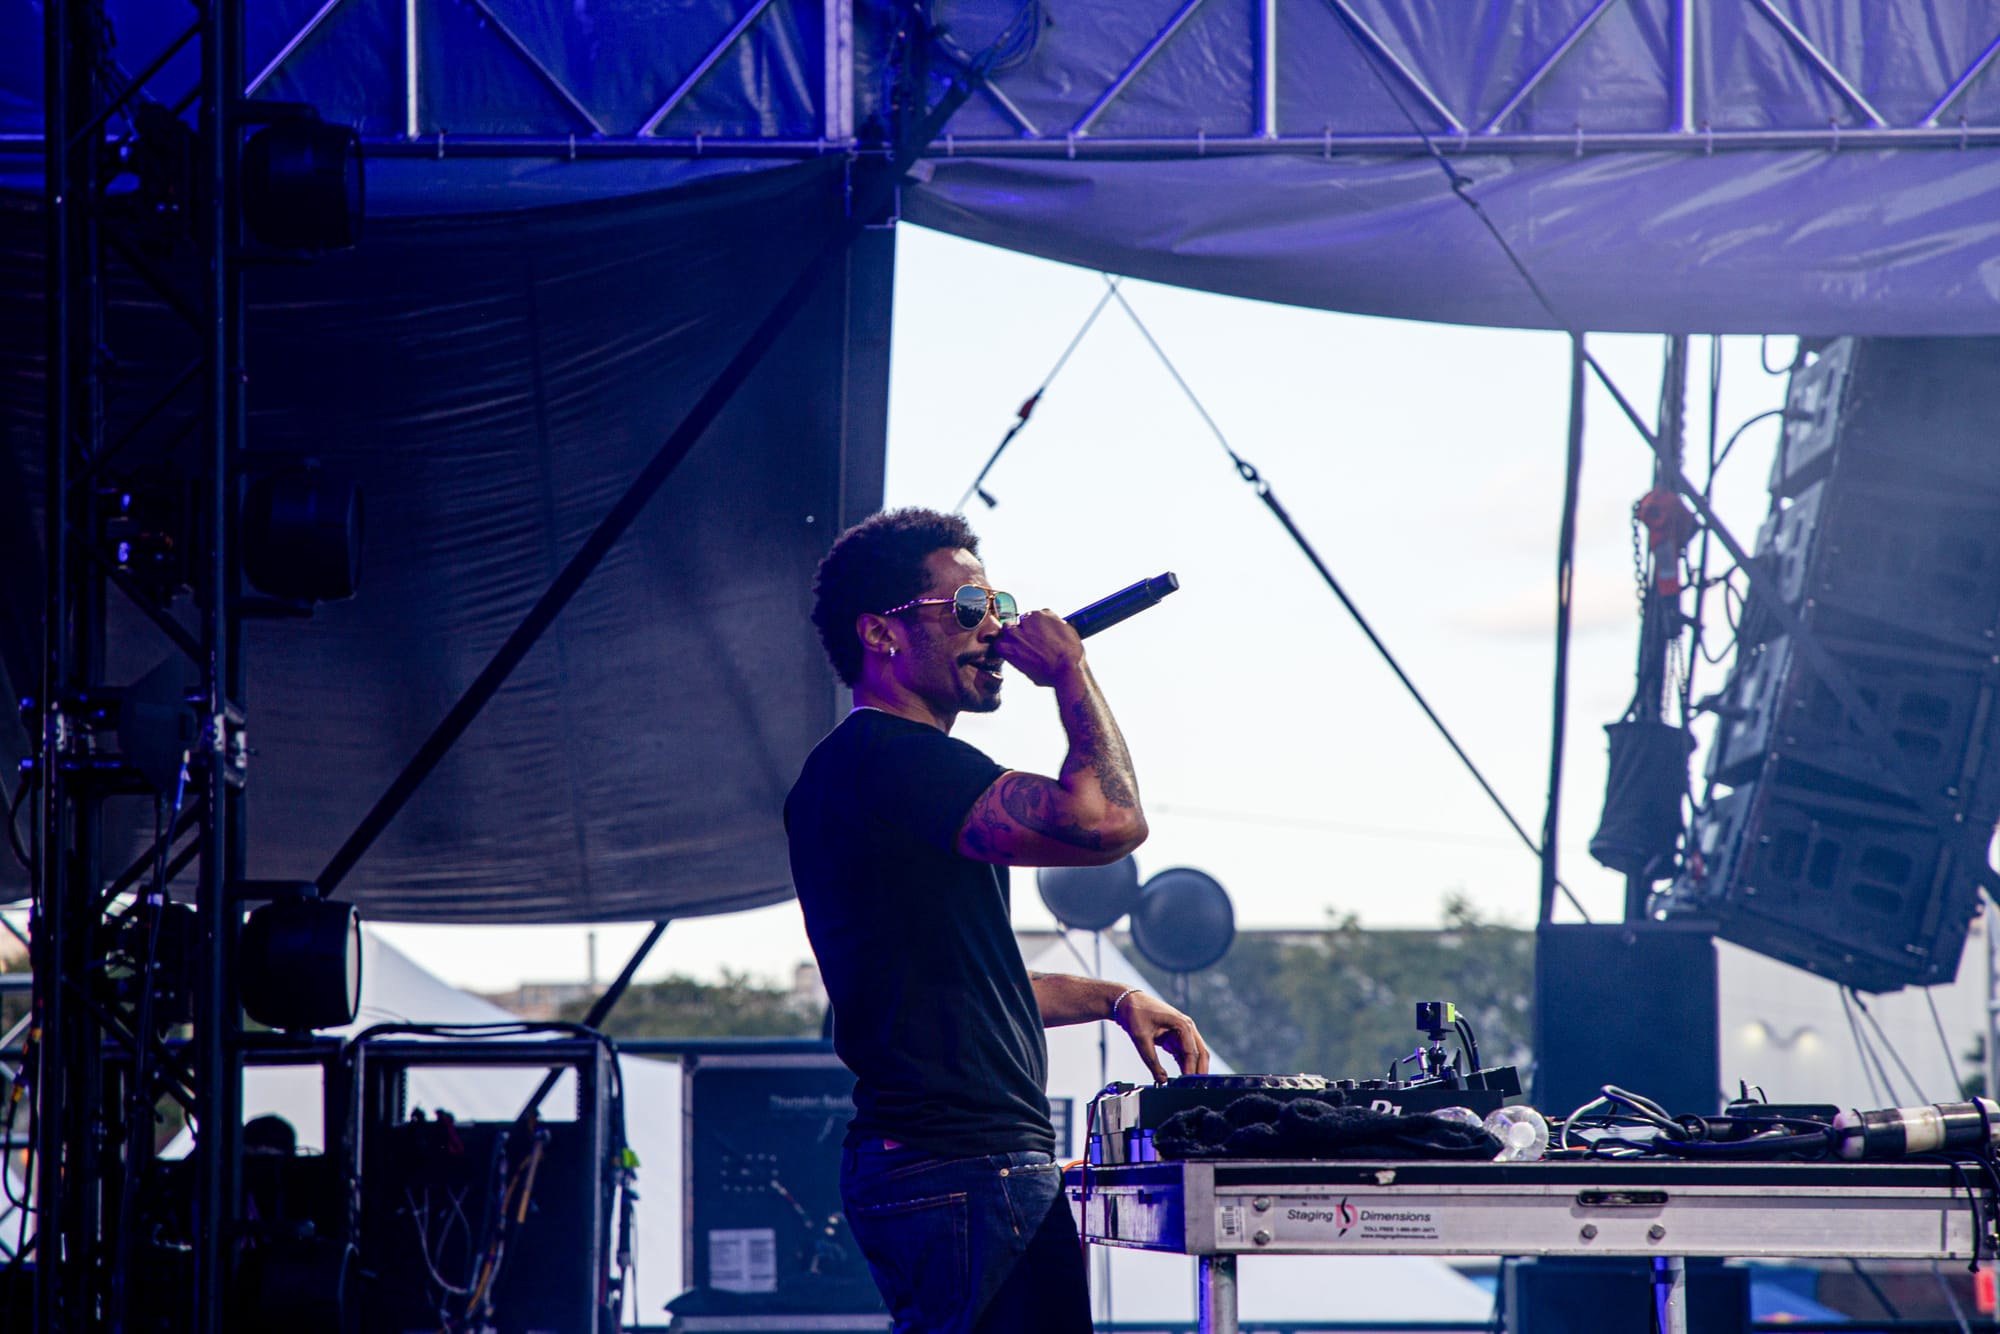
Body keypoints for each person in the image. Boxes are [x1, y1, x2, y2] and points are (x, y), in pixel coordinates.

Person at [785, 507, 1210, 1333]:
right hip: (965, 1164)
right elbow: (1107, 821)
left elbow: (954, 980)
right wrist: (1070, 673)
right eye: (970, 609)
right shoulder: (897, 760)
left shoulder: (855, 772)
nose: (996, 630)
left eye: (1001, 607)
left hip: (925, 1167)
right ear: (881, 633)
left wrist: (1114, 998)